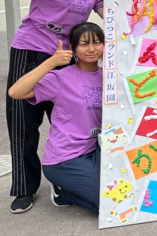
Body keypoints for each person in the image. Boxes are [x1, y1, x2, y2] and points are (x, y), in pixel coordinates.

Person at [1, 0, 103, 214]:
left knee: (69, 117)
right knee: (23, 122)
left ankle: (63, 179)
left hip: (68, 55)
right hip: (31, 49)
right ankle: (24, 188)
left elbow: (108, 13)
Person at [7, 23, 103, 213]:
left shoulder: (109, 76)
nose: (92, 49)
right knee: (111, 203)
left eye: (97, 42)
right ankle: (63, 192)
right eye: (84, 44)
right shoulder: (60, 78)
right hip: (66, 159)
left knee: (130, 189)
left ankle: (79, 187)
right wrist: (51, 62)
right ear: (73, 48)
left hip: (98, 149)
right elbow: (15, 92)